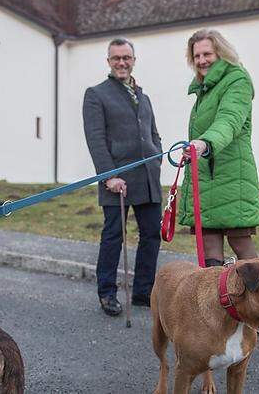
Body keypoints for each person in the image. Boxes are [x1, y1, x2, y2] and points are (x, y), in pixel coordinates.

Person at [82, 37, 163, 316]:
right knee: (113, 235)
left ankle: (143, 291)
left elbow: (153, 132)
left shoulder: (144, 96)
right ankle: (107, 292)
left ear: (133, 60)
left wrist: (158, 155)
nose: (121, 62)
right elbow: (95, 139)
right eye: (116, 58)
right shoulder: (96, 94)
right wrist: (109, 176)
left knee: (152, 234)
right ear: (108, 61)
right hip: (117, 179)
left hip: (148, 176)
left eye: (126, 57)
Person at [179, 29, 259, 267]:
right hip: (206, 179)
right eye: (196, 56)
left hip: (231, 177)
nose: (202, 60)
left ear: (221, 53)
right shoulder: (205, 89)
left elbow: (229, 120)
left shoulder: (237, 80)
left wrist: (205, 143)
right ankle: (217, 304)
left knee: (245, 255)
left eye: (207, 53)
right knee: (210, 259)